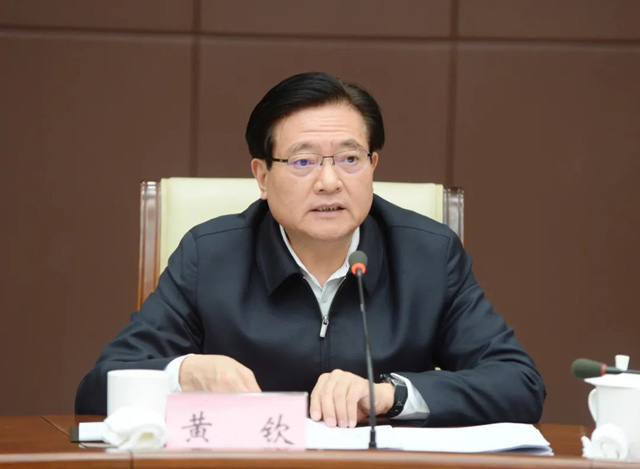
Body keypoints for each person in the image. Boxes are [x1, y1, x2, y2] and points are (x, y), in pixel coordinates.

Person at [76, 72, 545, 427]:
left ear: (373, 165)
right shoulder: (210, 256)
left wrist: (390, 395)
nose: (329, 182)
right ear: (262, 176)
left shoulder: (427, 254)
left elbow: (518, 383)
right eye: (303, 161)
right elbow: (98, 391)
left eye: (349, 158)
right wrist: (185, 374)